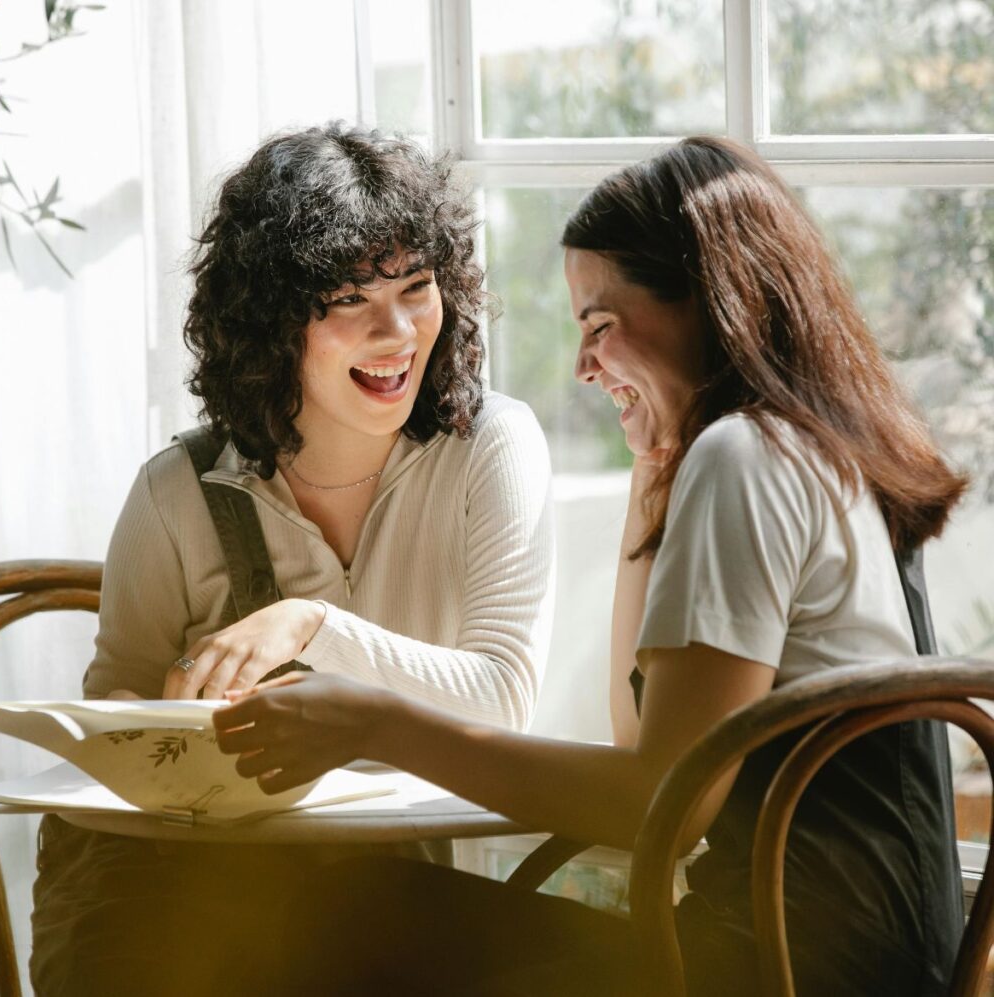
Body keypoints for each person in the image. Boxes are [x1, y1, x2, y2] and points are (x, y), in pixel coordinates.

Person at [212, 136, 968, 996]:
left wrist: (374, 724)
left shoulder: (745, 458)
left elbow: (661, 807)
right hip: (862, 960)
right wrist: (653, 473)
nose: (580, 366)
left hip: (781, 970)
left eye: (600, 327)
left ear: (709, 305)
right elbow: (640, 745)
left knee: (340, 919)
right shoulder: (798, 448)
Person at [29, 122, 555, 997]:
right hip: (183, 898)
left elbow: (505, 701)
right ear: (272, 324)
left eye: (418, 288)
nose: (398, 334)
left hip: (386, 891)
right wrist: (156, 722)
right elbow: (114, 705)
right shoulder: (176, 492)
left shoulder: (491, 447)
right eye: (349, 300)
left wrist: (311, 624)